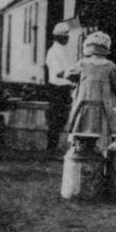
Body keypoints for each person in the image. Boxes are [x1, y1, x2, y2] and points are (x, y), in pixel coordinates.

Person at [64, 31, 116, 153]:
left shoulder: (82, 64)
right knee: (103, 139)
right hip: (104, 108)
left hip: (83, 107)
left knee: (81, 141)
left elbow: (68, 75)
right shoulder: (111, 66)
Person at [44, 22, 75, 154]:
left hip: (63, 88)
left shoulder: (62, 49)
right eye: (66, 36)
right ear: (60, 37)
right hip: (57, 89)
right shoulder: (53, 52)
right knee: (55, 119)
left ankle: (54, 148)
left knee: (62, 119)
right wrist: (73, 77)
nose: (68, 38)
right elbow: (59, 71)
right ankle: (51, 149)